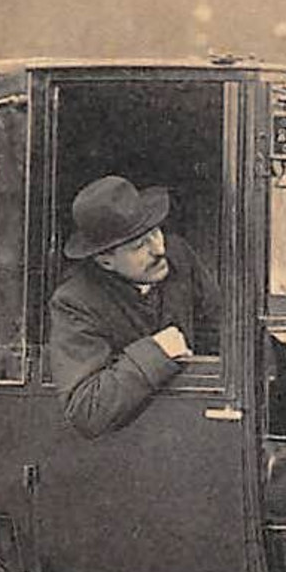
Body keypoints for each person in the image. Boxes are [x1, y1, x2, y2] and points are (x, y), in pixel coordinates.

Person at [48, 174, 212, 438]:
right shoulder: (75, 302)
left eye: (156, 232)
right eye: (140, 245)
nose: (159, 249)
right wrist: (157, 351)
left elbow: (222, 331)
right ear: (105, 261)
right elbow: (86, 409)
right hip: (133, 451)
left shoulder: (178, 257)